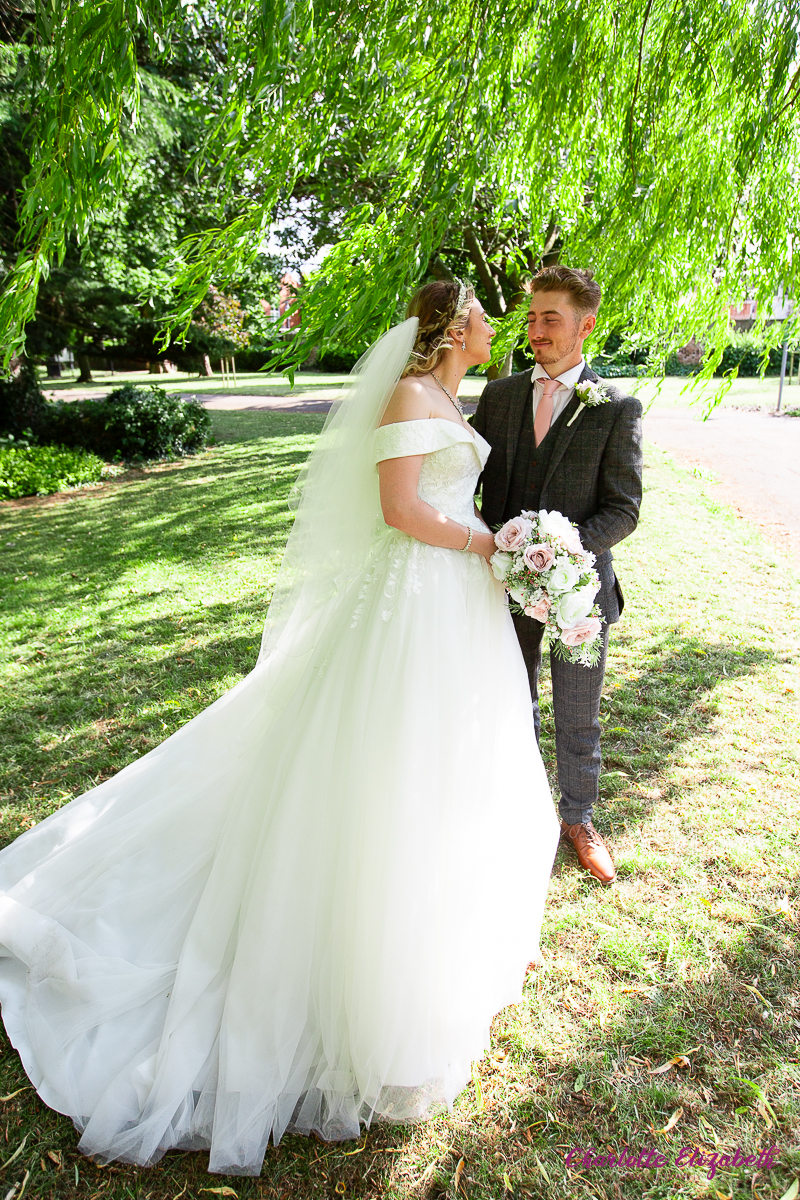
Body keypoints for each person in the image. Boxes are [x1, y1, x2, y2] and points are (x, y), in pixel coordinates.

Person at [0, 281, 559, 1177]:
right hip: (411, 603)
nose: (498, 329)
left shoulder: (453, 395)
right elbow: (401, 510)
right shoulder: (412, 396)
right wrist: (488, 546)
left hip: (456, 606)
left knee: (444, 778)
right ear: (455, 328)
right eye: (487, 317)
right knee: (377, 771)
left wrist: (504, 548)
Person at [473, 266, 643, 886]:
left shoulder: (617, 407)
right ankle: (510, 810)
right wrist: (500, 552)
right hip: (502, 584)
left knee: (578, 711)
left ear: (585, 325)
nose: (536, 329)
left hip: (580, 594)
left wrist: (568, 557)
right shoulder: (500, 396)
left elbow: (623, 507)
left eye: (552, 318)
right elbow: (472, 484)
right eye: (533, 316)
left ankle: (579, 820)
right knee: (510, 699)